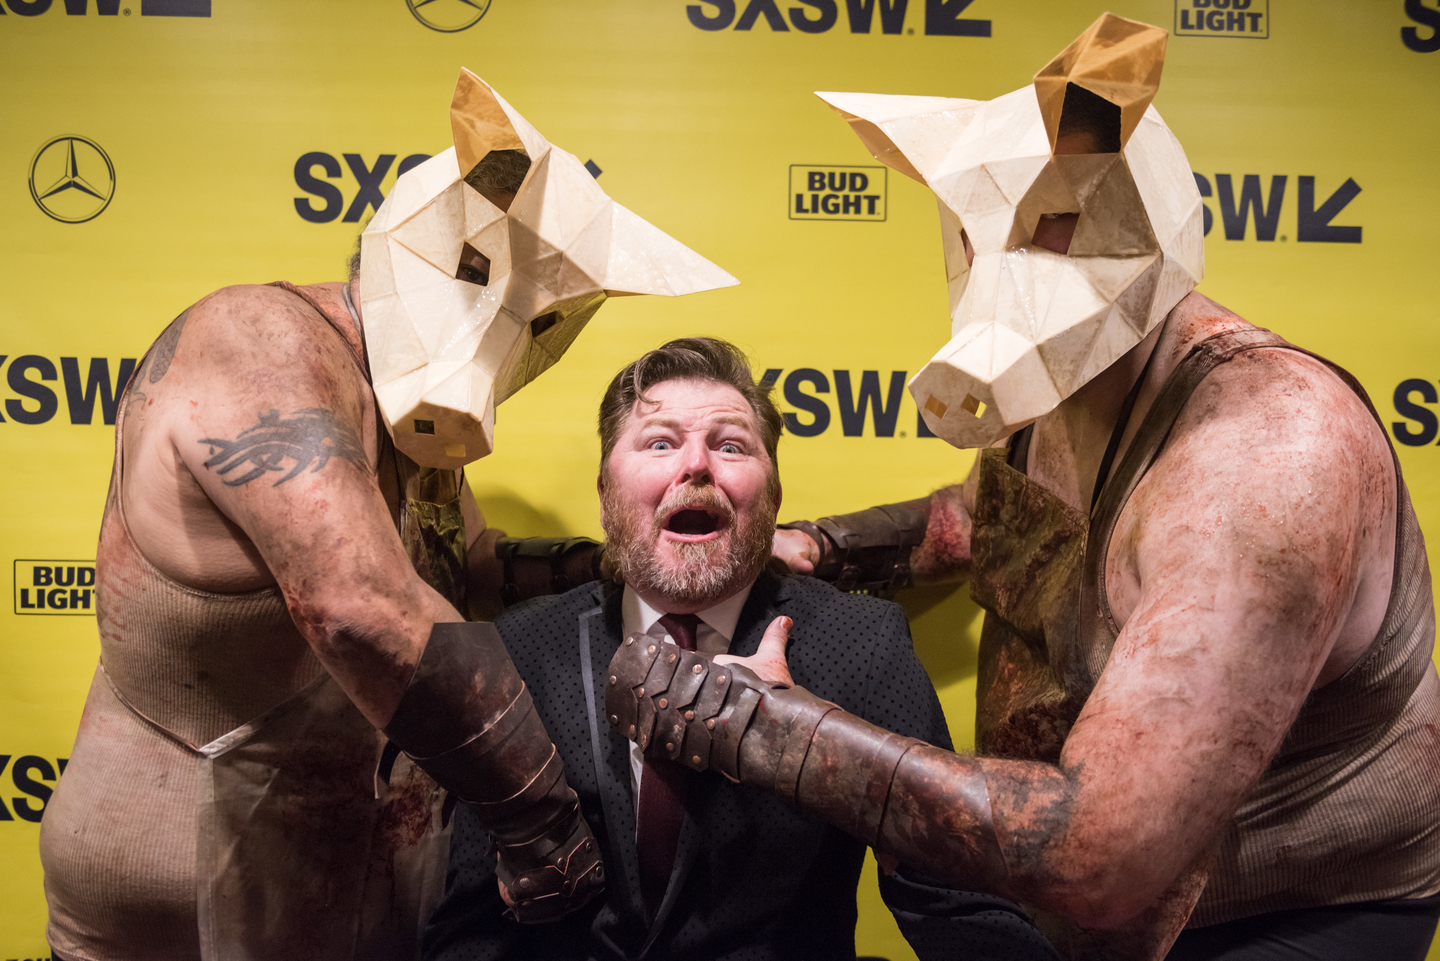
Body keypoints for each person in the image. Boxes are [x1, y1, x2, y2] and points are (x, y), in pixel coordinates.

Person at [617, 16, 1440, 961]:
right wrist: (814, 544)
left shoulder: (1267, 457)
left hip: (1279, 911)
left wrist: (778, 731)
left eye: (1052, 228)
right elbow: (997, 522)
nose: (1002, 271)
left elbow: (1101, 856)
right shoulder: (1068, 380)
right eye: (976, 232)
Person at [39, 70, 736, 961]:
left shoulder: (404, 430)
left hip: (330, 900)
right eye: (478, 271)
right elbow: (361, 604)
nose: (511, 331)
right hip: (178, 905)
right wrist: (541, 820)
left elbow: (473, 568)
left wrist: (646, 558)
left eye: (549, 317)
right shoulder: (264, 343)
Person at [424, 337, 1061, 961]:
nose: (696, 465)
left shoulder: (861, 643)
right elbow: (471, 928)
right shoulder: (521, 650)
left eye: (730, 445)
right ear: (605, 492)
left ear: (775, 497)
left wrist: (812, 745)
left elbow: (959, 907)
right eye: (660, 443)